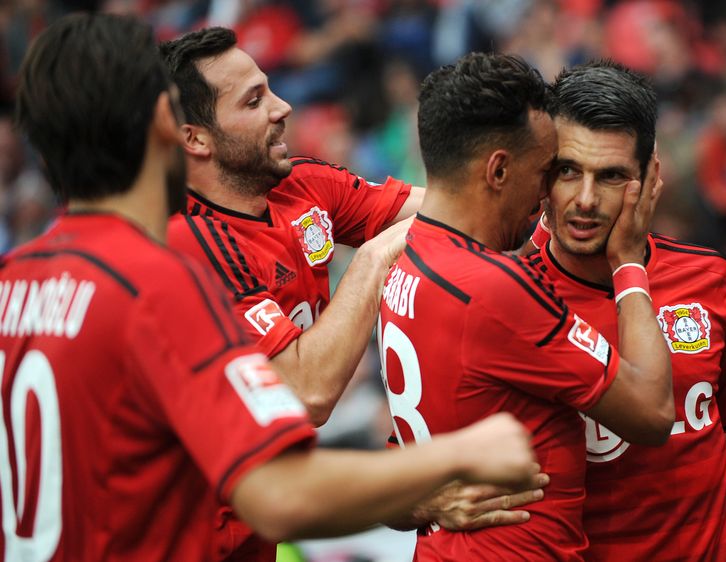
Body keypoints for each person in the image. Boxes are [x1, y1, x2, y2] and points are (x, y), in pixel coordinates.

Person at [1, 12, 546, 561]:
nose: (283, 108)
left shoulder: (13, 279)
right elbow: (279, 488)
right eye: (254, 99)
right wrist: (456, 457)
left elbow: (466, 211)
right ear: (174, 125)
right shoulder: (156, 279)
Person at [378, 51, 674, 561]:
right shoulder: (494, 288)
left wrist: (427, 500)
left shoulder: (408, 266)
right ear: (498, 170)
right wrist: (628, 262)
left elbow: (391, 481)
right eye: (549, 172)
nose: (546, 195)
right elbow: (651, 412)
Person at [528, 59, 726, 559]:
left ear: (651, 177)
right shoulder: (507, 297)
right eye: (568, 171)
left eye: (610, 176)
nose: (584, 199)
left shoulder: (710, 278)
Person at [161, 27, 422, 427]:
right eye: (254, 102)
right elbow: (308, 392)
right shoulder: (186, 241)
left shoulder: (301, 184)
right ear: (195, 139)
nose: (282, 108)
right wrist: (375, 256)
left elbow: (450, 210)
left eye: (270, 90)